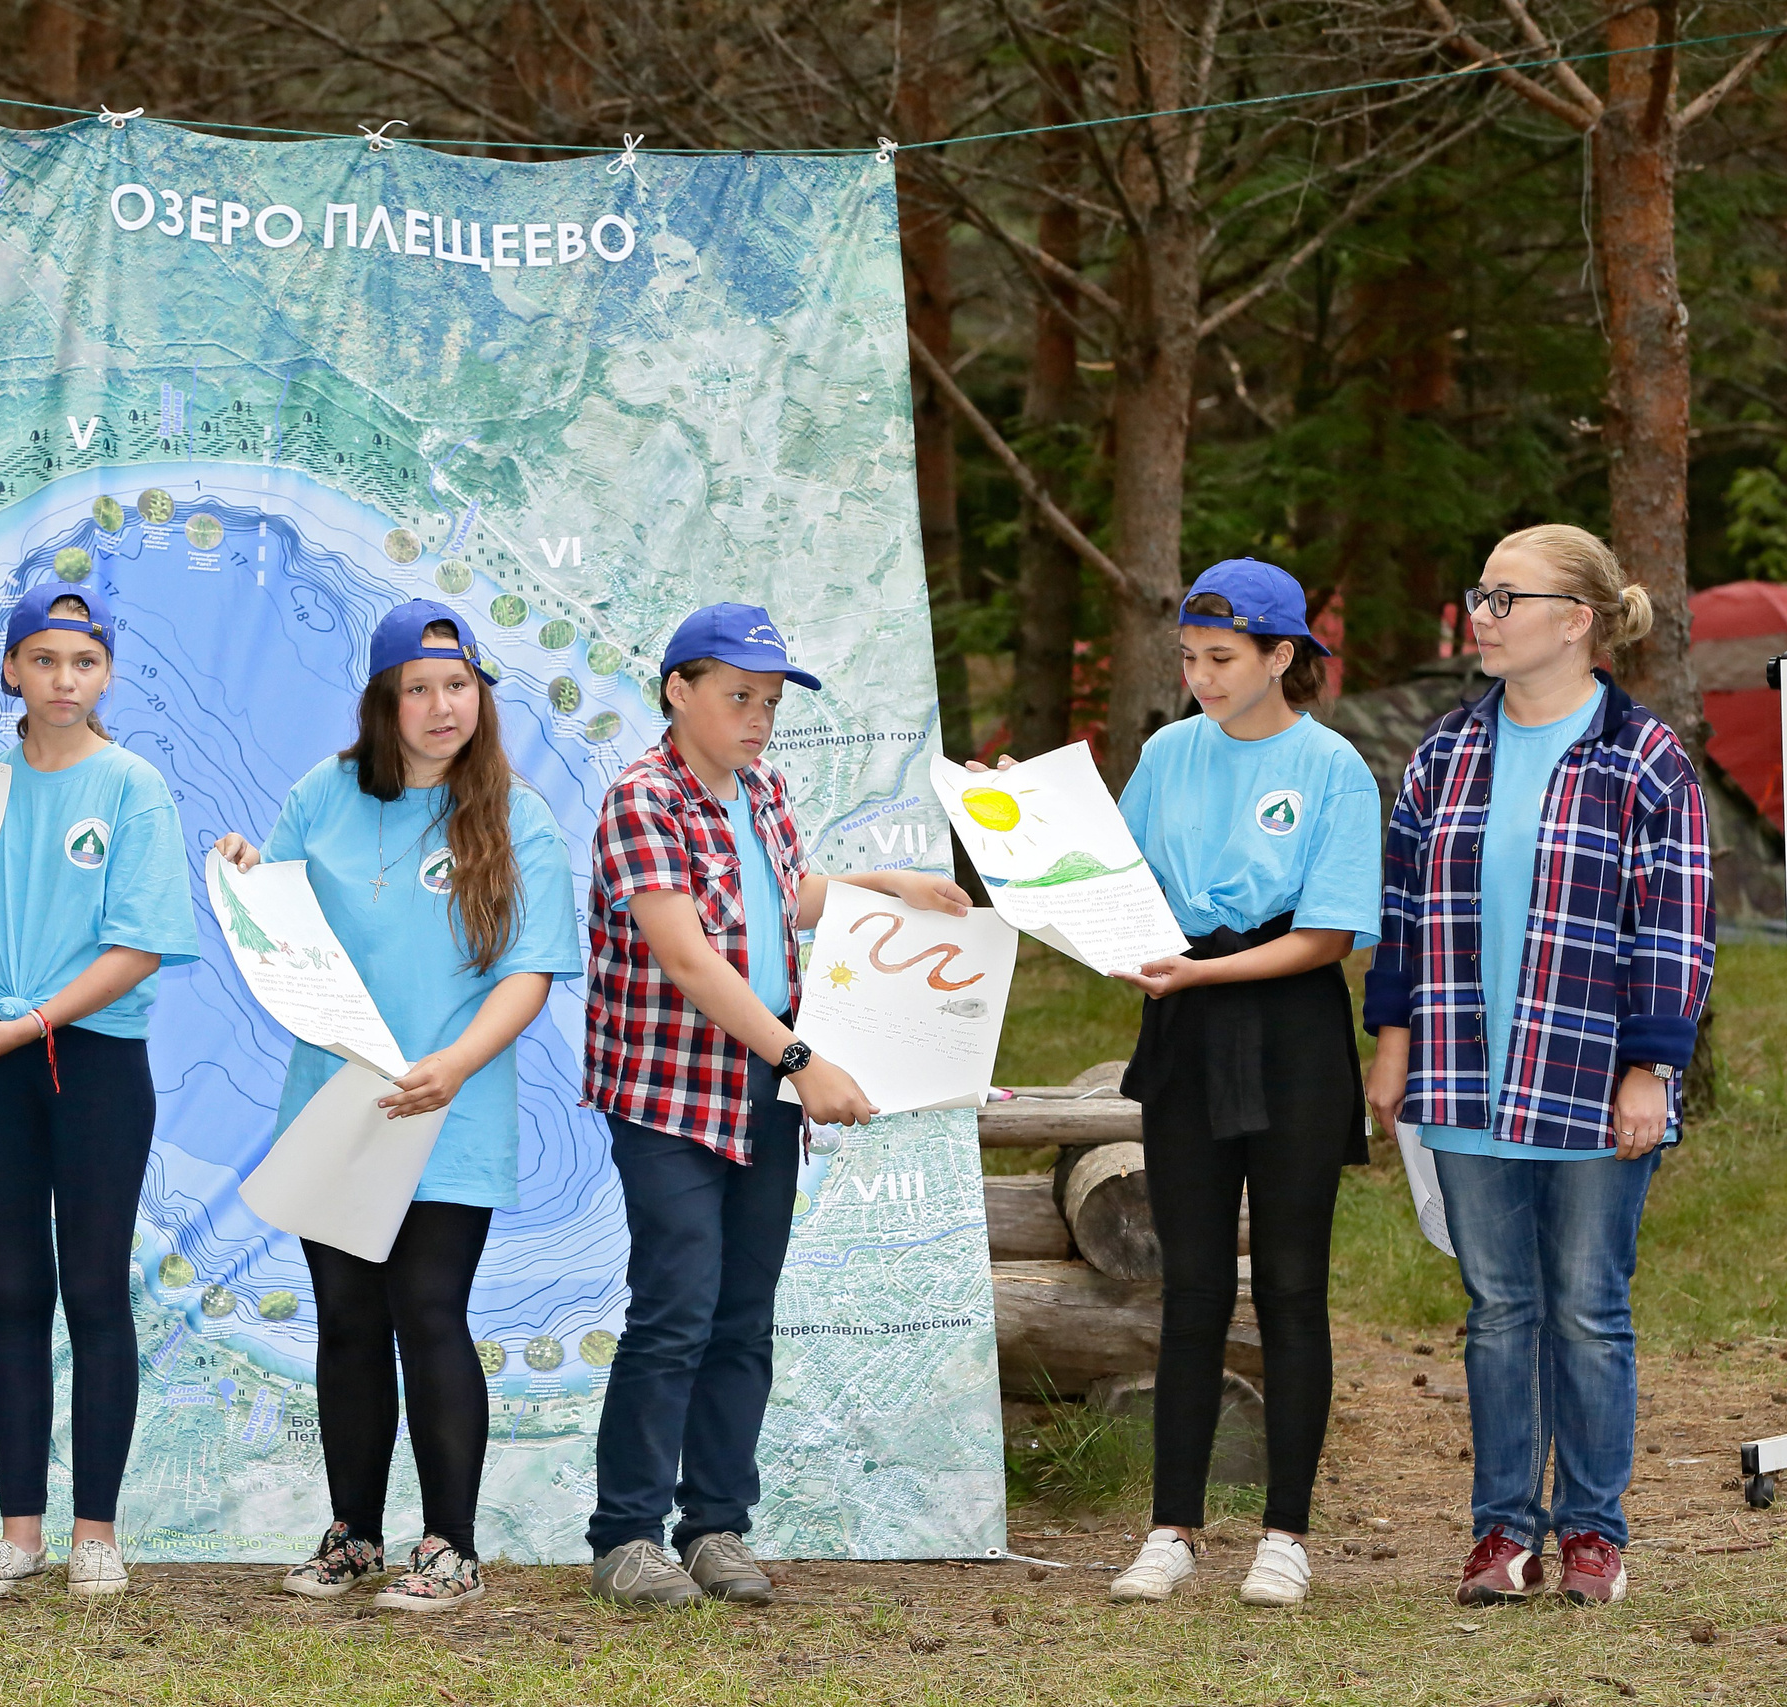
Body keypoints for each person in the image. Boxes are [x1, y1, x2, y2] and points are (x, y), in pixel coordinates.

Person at [581, 602, 973, 1607]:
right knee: (674, 1313)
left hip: (757, 1097)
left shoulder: (761, 792)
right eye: (737, 697)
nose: (757, 718)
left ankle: (714, 1526)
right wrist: (801, 1059)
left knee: (742, 1321)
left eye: (768, 701)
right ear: (678, 691)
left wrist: (881, 885)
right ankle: (627, 1535)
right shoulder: (643, 799)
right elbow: (686, 956)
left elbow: (779, 898)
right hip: (670, 1097)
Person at [212, 600, 584, 1613]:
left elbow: (530, 973)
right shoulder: (322, 796)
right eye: (416, 688)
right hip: (336, 1105)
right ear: (383, 701)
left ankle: (450, 1546)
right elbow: (276, 927)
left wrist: (455, 1064)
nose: (439, 706)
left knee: (428, 1310)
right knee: (345, 1317)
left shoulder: (516, 813)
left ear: (479, 697)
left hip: (447, 1105)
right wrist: (246, 880)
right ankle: (354, 1535)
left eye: (456, 685)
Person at [1364, 524, 1711, 1609]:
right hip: (1465, 1081)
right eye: (1479, 595)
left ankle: (1593, 1536)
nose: (1480, 614)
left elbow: (1676, 930)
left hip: (1592, 1075)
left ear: (1577, 621)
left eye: (1504, 598)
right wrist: (1391, 1045)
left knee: (1587, 1308)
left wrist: (1649, 1067)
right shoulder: (1443, 753)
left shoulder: (1644, 759)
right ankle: (1500, 1534)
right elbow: (1403, 915)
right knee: (1498, 1308)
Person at [1037, 560, 1383, 1610]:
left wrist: (1201, 968)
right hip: (1184, 1029)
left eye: (1222, 658)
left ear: (1283, 657)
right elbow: (1113, 883)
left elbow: (1325, 935)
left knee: (1287, 1285)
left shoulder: (1332, 769)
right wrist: (1028, 838)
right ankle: (1170, 1529)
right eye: (1189, 657)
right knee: (1188, 1288)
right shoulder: (1168, 754)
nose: (1200, 676)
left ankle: (1285, 1534)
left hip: (1287, 1032)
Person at [0, 585, 199, 1600]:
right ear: (11, 672)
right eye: (45, 661)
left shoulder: (131, 787)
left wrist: (31, 1024)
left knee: (93, 1293)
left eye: (85, 663)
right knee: (17, 1294)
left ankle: (96, 1535)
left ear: (105, 673)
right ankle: (17, 1534)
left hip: (96, 1066)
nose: (65, 681)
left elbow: (142, 947)